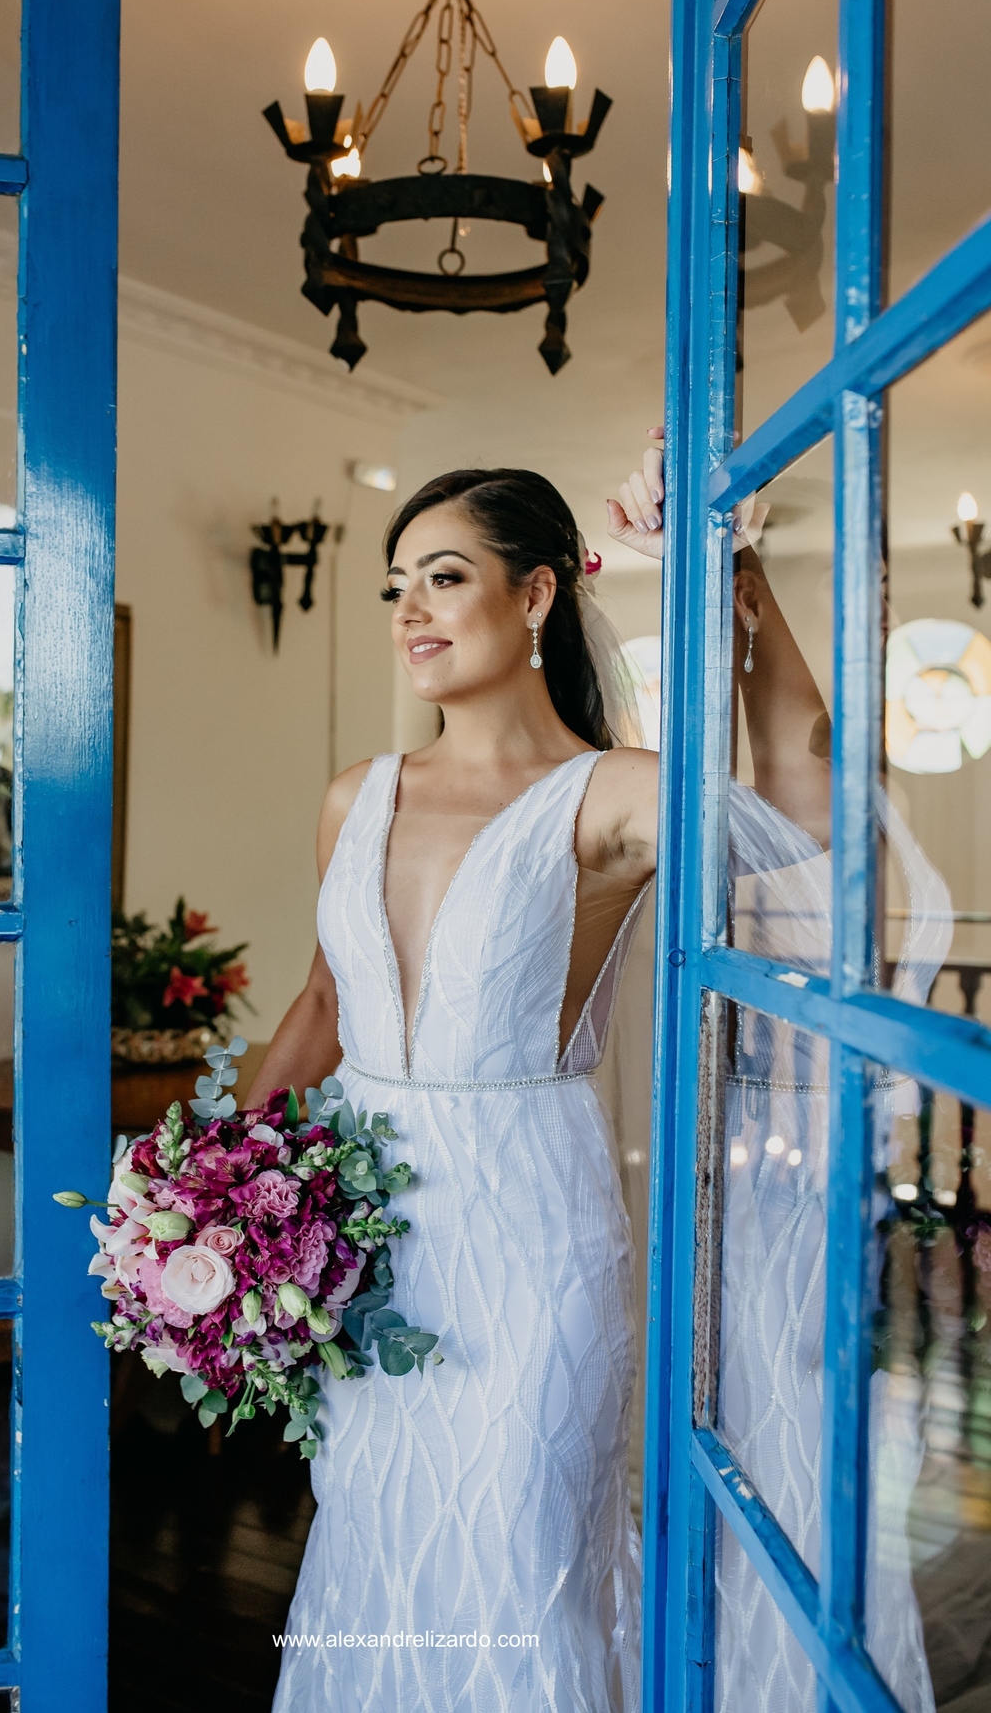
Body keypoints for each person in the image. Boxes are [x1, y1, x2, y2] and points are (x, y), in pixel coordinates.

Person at [251, 436, 925, 1712]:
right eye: (397, 582)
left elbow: (810, 798)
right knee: (379, 1541)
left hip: (527, 1245)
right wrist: (219, 1198)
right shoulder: (356, 795)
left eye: (445, 576)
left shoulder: (611, 796)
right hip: (361, 1245)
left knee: (519, 1556)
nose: (410, 608)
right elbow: (325, 1003)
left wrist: (735, 572)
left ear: (540, 593)